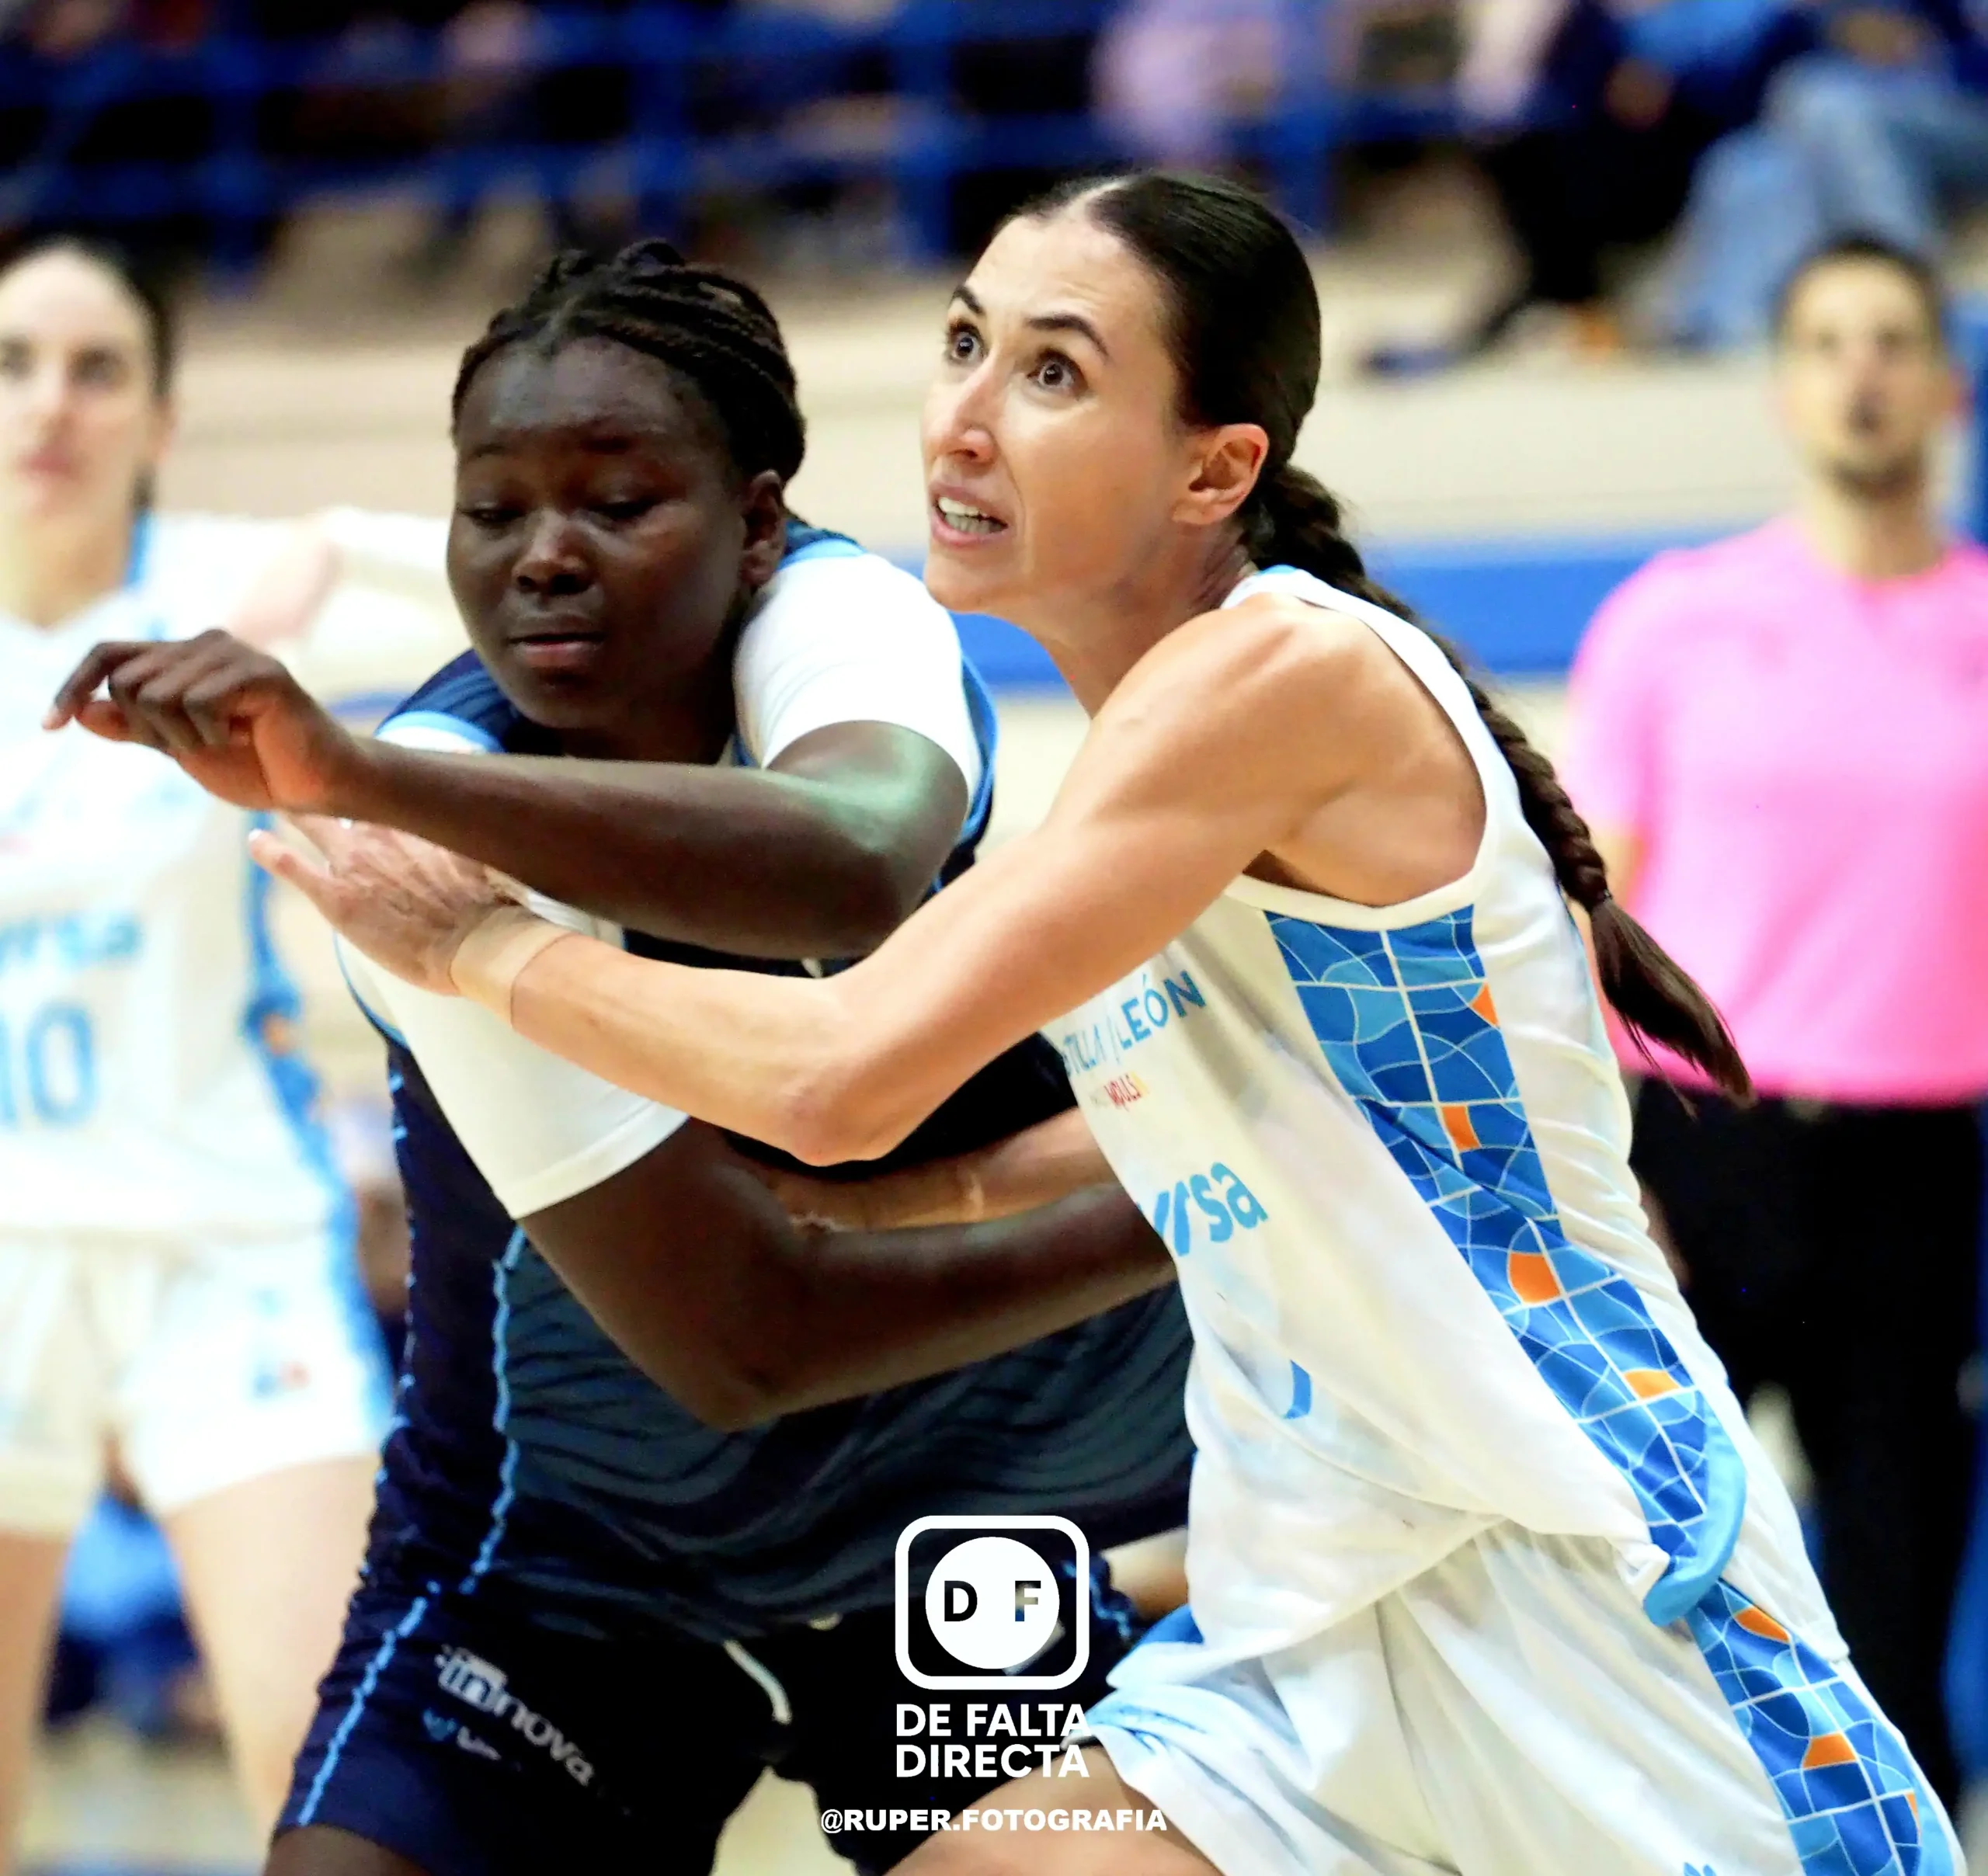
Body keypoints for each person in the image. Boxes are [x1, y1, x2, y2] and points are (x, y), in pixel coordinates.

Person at [178, 172, 1969, 1874]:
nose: (963, 416)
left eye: (1052, 372)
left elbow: (839, 1077)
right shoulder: (1142, 765)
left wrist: (484, 948)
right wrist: (900, 1212)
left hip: (1590, 1599)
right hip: (1303, 1638)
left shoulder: (1275, 681)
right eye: (963, 344)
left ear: (1214, 467)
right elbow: (1152, 1111)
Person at [50, 239, 1196, 1876]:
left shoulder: (838, 617)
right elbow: (744, 1333)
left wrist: (371, 772)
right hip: (569, 1568)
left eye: (615, 499)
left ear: (756, 522)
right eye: (494, 507)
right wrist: (1199, 1206)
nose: (544, 558)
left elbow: (851, 854)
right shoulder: (409, 821)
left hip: (944, 1524)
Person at [0, 231, 459, 1863]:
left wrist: (331, 540)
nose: (51, 403)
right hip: (6, 1261)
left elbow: (505, 579)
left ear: (161, 415)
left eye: (98, 367)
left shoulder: (217, 596)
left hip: (225, 1249)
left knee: (333, 1797)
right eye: (15, 362)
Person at [1562, 233, 1988, 1804]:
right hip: (1699, 1156)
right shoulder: (1677, 616)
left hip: (1915, 1166)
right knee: (1627, 1560)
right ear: (1784, 383)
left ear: (1944, 387)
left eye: (1890, 341)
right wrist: (1599, 1167)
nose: (1859, 372)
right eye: (1826, 341)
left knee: (1889, 1573)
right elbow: (1582, 912)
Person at [1660, 3, 1988, 349]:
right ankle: (1727, 328)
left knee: (1827, 102)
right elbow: (1726, 85)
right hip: (1853, 116)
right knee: (1749, 164)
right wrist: (1828, 29)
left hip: (1964, 110)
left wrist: (1925, 51)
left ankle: (1908, 293)